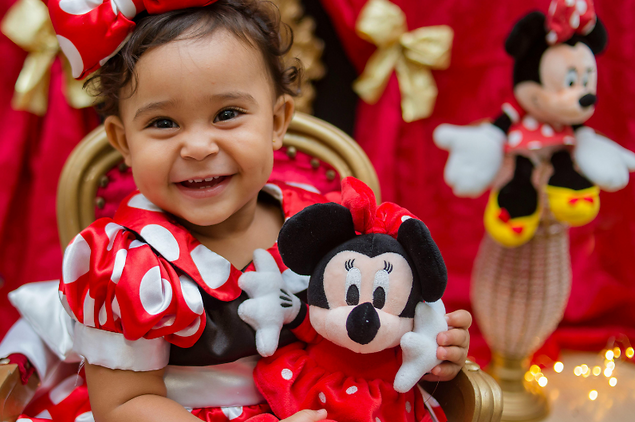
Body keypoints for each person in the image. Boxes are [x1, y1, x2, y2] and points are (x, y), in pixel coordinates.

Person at [38, 1, 473, 421]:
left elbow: (373, 325)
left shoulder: (323, 224)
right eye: (163, 123)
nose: (198, 147)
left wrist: (433, 349)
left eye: (227, 114)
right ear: (122, 141)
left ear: (278, 121)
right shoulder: (127, 265)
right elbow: (124, 405)